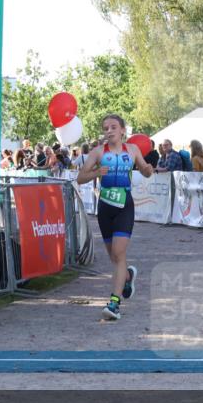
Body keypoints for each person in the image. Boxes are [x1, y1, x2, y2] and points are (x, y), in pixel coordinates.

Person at [76, 113, 154, 321]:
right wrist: (96, 173)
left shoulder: (133, 150)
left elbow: (145, 170)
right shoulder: (98, 153)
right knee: (114, 257)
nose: (108, 130)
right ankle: (127, 276)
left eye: (113, 127)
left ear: (122, 130)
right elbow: (80, 177)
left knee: (119, 253)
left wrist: (147, 169)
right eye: (105, 128)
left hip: (124, 206)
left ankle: (114, 304)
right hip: (105, 207)